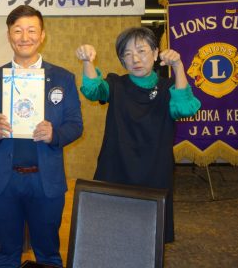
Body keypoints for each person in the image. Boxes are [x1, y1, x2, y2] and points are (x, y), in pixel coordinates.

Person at [0, 5, 83, 268]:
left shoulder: (62, 78)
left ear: (42, 35)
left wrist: (55, 134)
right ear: (9, 35)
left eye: (32, 30)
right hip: (5, 181)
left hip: (46, 182)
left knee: (48, 254)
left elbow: (75, 125)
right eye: (18, 31)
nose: (25, 37)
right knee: (6, 254)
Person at [76, 26, 201, 243]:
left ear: (155, 53)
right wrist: (88, 62)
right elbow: (93, 90)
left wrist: (178, 66)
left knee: (149, 236)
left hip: (155, 169)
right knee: (110, 233)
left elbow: (184, 108)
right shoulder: (116, 84)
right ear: (122, 61)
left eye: (142, 51)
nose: (135, 59)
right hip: (116, 168)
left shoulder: (168, 88)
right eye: (127, 54)